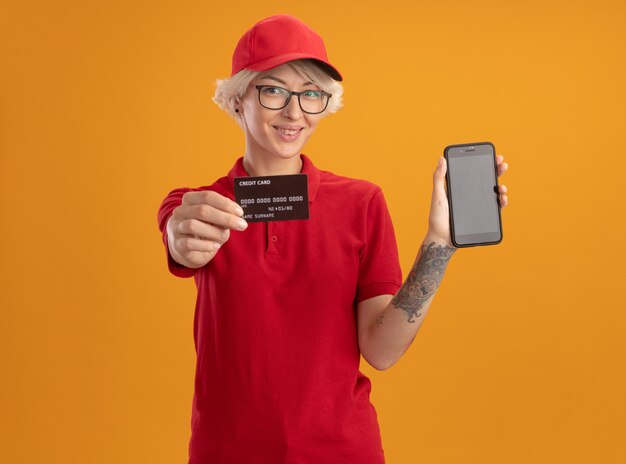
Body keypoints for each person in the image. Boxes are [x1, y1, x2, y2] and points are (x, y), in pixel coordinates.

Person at [156, 14, 508, 464]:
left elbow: (381, 352)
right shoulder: (196, 204)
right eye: (274, 89)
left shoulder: (362, 202)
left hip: (343, 451)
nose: (294, 111)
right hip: (226, 453)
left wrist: (440, 243)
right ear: (237, 99)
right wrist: (180, 238)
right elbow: (180, 235)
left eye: (311, 94)